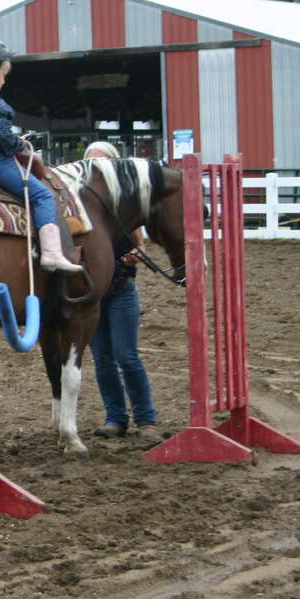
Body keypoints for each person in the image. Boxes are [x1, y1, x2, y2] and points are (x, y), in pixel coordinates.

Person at [0, 36, 81, 273]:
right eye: (3, 75)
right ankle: (51, 254)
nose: (3, 80)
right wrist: (20, 145)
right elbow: (2, 139)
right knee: (42, 196)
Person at [83, 141, 163, 441]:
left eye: (101, 164)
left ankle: (146, 420)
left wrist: (135, 254)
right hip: (93, 293)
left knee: (126, 355)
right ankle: (115, 418)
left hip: (120, 288)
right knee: (103, 358)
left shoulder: (124, 207)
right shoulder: (80, 206)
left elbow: (139, 244)